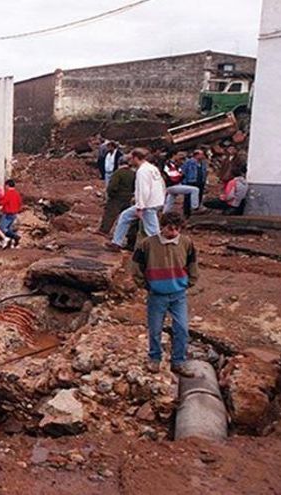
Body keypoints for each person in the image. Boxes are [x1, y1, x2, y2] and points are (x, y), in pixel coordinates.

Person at [131, 212, 198, 377]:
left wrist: (190, 282)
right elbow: (136, 266)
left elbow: (192, 263)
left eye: (177, 229)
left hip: (178, 294)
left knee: (182, 328)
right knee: (155, 329)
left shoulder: (186, 243)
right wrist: (145, 285)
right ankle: (154, 358)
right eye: (170, 228)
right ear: (162, 227)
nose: (174, 232)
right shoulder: (147, 244)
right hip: (157, 295)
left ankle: (178, 362)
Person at [106, 148, 164, 251]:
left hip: (148, 204)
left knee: (152, 230)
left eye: (131, 158)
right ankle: (116, 242)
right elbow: (161, 185)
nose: (130, 161)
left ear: (136, 158)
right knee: (125, 216)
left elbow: (143, 189)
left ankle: (160, 251)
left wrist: (140, 207)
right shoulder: (152, 168)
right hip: (155, 200)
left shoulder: (142, 171)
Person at [98, 156, 135, 235]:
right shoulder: (133, 173)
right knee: (127, 217)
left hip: (117, 197)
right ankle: (127, 233)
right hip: (128, 197)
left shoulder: (118, 173)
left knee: (110, 214)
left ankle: (104, 230)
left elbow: (112, 186)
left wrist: (110, 194)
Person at [163, 151, 200, 215]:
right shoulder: (169, 164)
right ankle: (195, 207)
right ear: (174, 155)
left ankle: (165, 213)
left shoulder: (176, 164)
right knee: (195, 190)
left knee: (170, 200)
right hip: (171, 185)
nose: (181, 159)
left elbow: (180, 174)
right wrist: (181, 175)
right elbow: (174, 177)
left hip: (173, 185)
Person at [180, 150, 208, 216]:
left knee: (199, 196)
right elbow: (184, 171)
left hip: (200, 181)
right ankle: (187, 213)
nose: (203, 156)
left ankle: (196, 210)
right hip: (191, 181)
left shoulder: (203, 163)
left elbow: (205, 171)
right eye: (201, 154)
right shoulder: (189, 162)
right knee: (188, 198)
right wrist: (184, 181)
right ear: (196, 155)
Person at [0, 179, 22, 248]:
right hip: (14, 213)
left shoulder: (8, 193)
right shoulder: (17, 194)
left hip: (8, 213)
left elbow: (3, 202)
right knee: (9, 228)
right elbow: (20, 203)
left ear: (7, 185)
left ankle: (15, 236)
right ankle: (11, 243)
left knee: (2, 228)